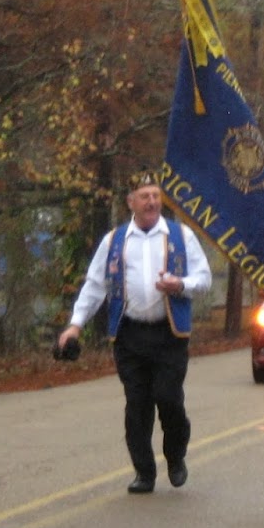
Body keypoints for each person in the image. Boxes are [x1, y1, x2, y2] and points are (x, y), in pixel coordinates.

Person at [57, 169, 213, 494]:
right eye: (145, 196)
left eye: (156, 196)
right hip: (129, 335)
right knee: (137, 405)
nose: (152, 202)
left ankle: (175, 455)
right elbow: (95, 286)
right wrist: (75, 325)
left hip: (169, 334)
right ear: (131, 202)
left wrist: (180, 284)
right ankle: (144, 472)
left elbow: (204, 279)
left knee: (169, 399)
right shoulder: (114, 241)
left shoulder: (180, 236)